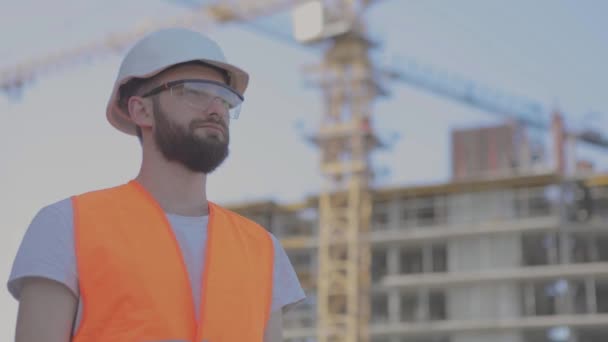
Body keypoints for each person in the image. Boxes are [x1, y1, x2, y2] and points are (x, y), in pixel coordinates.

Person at [8, 27, 306, 342]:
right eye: (194, 91)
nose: (216, 109)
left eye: (225, 98)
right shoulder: (66, 225)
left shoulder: (262, 249)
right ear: (141, 110)